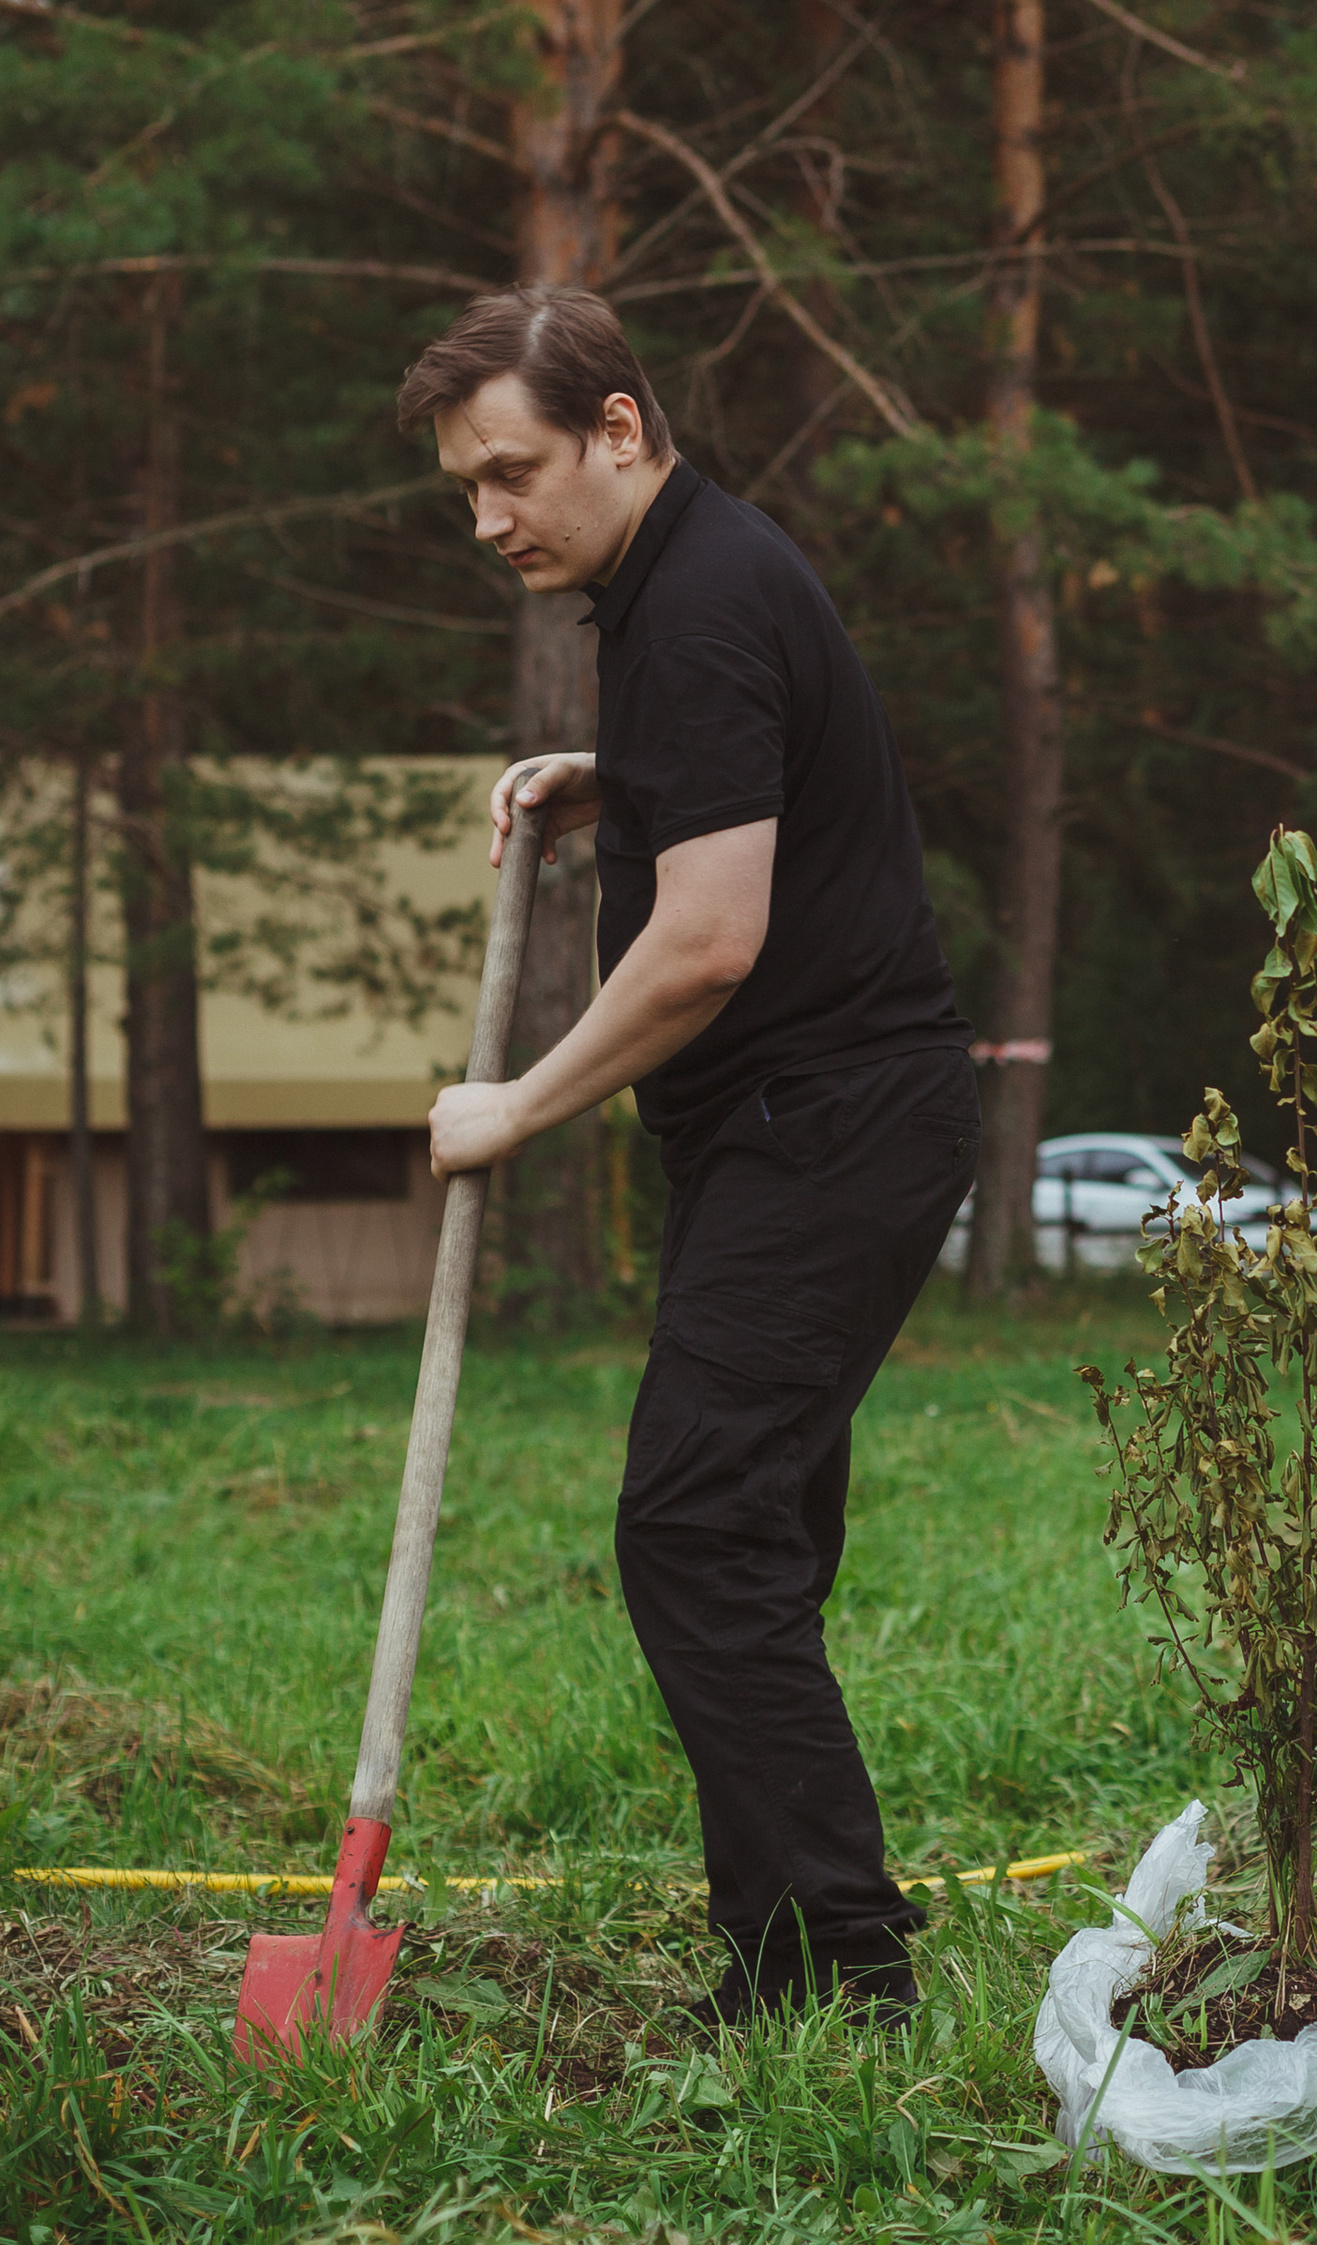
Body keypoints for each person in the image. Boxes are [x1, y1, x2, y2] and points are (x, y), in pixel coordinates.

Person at [395, 286, 978, 2029]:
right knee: (751, 1535)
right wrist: (626, 779)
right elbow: (748, 794)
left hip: (829, 1124)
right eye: (466, 491)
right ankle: (785, 1952)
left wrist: (515, 1106)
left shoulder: (703, 604)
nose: (491, 518)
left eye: (514, 472)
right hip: (806, 1126)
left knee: (698, 1528)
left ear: (623, 427)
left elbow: (711, 945)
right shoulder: (683, 589)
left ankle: (834, 1971)